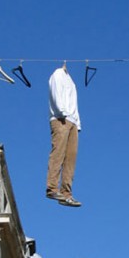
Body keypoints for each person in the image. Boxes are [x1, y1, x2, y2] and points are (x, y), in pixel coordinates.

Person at [45, 65, 82, 207]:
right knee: (58, 153)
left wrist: (77, 123)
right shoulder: (57, 74)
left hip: (72, 120)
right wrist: (61, 112)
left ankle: (66, 193)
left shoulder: (71, 80)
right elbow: (55, 93)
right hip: (60, 118)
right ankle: (52, 188)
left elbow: (75, 103)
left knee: (71, 158)